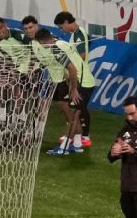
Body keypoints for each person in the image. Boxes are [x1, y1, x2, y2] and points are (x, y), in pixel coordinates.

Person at [34, 28, 95, 156]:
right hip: (83, 80)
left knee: (74, 115)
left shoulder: (55, 49)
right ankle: (77, 146)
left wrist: (73, 89)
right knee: (74, 115)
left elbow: (72, 69)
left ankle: (64, 148)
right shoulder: (61, 43)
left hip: (82, 83)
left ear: (41, 42)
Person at [55, 11, 94, 148]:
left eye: (61, 27)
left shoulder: (78, 34)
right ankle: (78, 137)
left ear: (66, 22)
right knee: (78, 108)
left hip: (81, 77)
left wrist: (70, 65)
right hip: (78, 76)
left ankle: (81, 137)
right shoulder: (74, 34)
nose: (61, 30)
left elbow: (82, 56)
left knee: (78, 109)